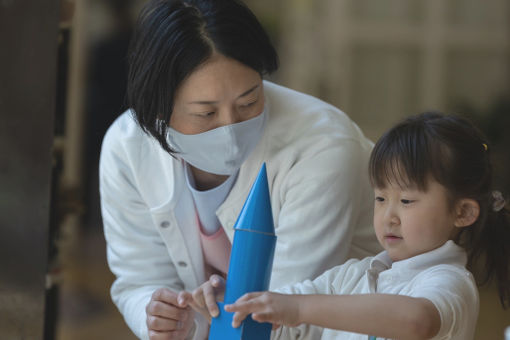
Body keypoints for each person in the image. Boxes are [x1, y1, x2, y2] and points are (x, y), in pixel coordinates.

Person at [99, 0, 381, 339]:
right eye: (206, 114)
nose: (230, 129)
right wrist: (163, 317)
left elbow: (283, 317)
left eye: (249, 102)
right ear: (157, 108)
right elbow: (140, 279)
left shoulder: (324, 148)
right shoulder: (128, 149)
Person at [187, 112, 510, 339]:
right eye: (381, 198)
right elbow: (280, 309)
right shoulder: (351, 276)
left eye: (407, 201)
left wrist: (297, 308)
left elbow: (417, 320)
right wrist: (235, 300)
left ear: (464, 213)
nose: (389, 216)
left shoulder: (450, 282)